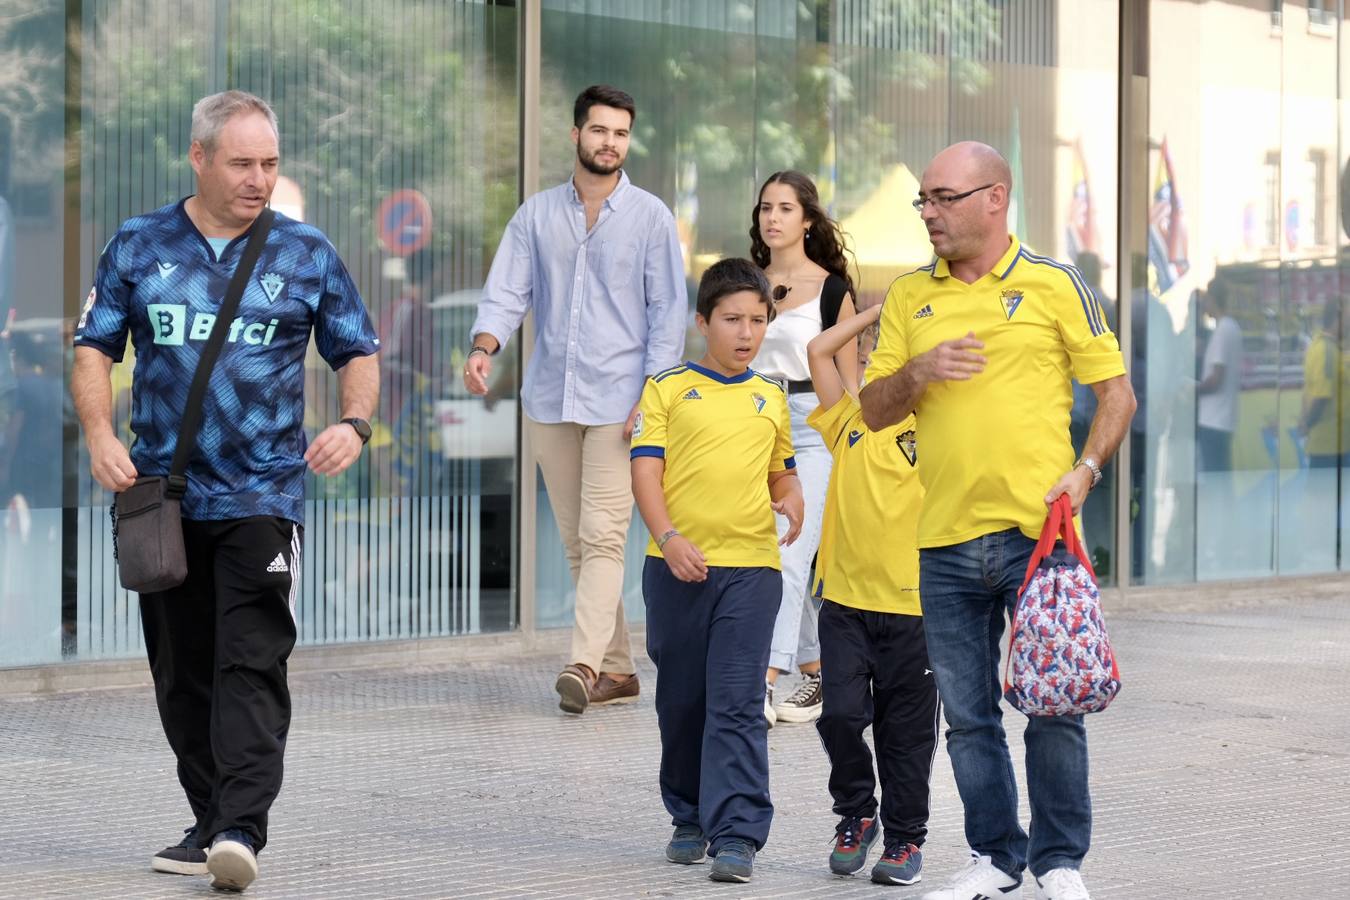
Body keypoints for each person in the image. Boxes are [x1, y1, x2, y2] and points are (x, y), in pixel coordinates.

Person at [70, 90, 379, 893]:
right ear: (199, 157)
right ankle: (208, 818)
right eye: (241, 162)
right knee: (181, 670)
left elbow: (358, 348)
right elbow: (93, 351)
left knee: (251, 657)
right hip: (163, 501)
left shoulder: (305, 252)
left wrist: (354, 423)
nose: (258, 179)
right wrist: (102, 437)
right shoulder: (139, 245)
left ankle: (241, 825)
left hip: (262, 497)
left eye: (270, 163)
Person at [859, 141, 1135, 900]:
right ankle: (996, 858)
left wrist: (1086, 472)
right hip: (942, 538)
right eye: (924, 199)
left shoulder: (1053, 284)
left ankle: (1059, 862)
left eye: (943, 198)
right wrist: (917, 371)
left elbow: (1117, 395)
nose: (929, 213)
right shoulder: (911, 295)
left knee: (1052, 706)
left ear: (995, 198)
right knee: (970, 717)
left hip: (1036, 537)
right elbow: (872, 411)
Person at [465, 84, 686, 715]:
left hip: (624, 404)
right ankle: (618, 670)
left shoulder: (650, 217)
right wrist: (485, 348)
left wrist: (655, 395)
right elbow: (507, 292)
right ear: (576, 135)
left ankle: (583, 663)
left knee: (604, 535)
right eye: (599, 131)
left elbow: (667, 313)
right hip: (550, 400)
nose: (610, 143)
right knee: (576, 543)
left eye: (620, 133)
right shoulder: (536, 216)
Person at [631, 257, 804, 885]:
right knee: (682, 702)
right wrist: (668, 537)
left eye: (758, 320)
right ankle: (688, 814)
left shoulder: (771, 395)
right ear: (703, 321)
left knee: (736, 702)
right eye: (732, 319)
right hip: (676, 569)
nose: (746, 332)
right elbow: (645, 473)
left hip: (751, 571)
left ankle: (738, 834)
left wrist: (792, 495)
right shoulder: (667, 388)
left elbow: (780, 469)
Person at [805, 302, 938, 886]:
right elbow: (817, 351)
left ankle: (906, 840)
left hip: (914, 610)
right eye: (875, 349)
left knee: (904, 737)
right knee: (839, 716)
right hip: (844, 605)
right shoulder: (850, 419)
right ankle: (857, 814)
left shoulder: (937, 428)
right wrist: (881, 311)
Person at [749, 170, 858, 726]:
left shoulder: (833, 289)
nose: (772, 217)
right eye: (766, 207)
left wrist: (858, 449)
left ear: (808, 219)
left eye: (785, 208)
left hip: (812, 429)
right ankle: (820, 673)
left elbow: (849, 381)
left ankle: (762, 682)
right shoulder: (746, 281)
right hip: (751, 426)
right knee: (768, 550)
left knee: (787, 552)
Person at [1196, 278, 1242, 472]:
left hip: (1213, 419)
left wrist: (1191, 389)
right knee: (1221, 476)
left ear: (1213, 299)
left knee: (1216, 478)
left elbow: (1216, 378)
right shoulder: (1230, 328)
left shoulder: (1223, 330)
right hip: (1222, 418)